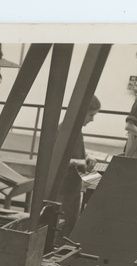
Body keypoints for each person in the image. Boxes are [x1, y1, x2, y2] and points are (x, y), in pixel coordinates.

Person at [59, 95, 101, 238]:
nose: (92, 119)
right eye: (91, 115)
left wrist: (86, 156)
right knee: (65, 223)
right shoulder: (64, 130)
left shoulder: (75, 130)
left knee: (71, 221)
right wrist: (81, 162)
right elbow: (56, 160)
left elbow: (74, 152)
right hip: (64, 188)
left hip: (72, 186)